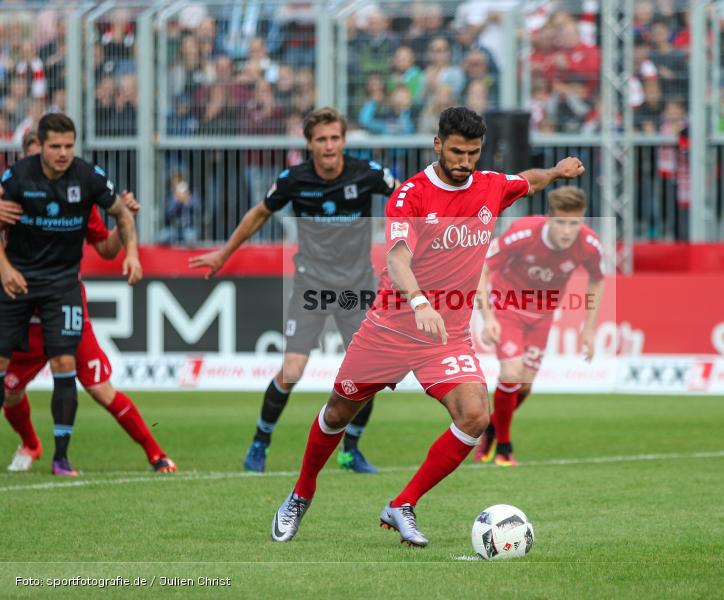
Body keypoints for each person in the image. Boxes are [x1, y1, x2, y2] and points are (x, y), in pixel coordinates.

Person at [269, 106, 585, 546]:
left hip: (445, 336)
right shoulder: (410, 196)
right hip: (391, 329)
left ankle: (403, 504)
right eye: (456, 151)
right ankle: (301, 493)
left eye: (473, 153)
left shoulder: (490, 186)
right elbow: (397, 256)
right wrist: (419, 301)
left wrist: (555, 171)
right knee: (339, 411)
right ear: (438, 145)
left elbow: (527, 181)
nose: (464, 162)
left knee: (475, 416)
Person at [189, 107, 396, 474]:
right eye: (321, 140)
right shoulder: (294, 179)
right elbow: (259, 214)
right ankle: (260, 443)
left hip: (357, 287)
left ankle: (350, 451)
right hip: (311, 285)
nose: (329, 146)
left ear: (344, 141)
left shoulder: (367, 173)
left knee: (368, 374)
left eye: (335, 138)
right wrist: (224, 254)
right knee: (292, 369)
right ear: (309, 144)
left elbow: (408, 198)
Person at [0, 132, 176, 474]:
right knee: (11, 393)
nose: (56, 161)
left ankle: (155, 453)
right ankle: (32, 444)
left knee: (99, 387)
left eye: (64, 151)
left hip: (64, 305)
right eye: (44, 154)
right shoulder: (12, 193)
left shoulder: (74, 196)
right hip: (20, 309)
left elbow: (106, 249)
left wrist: (125, 225)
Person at [475, 186, 603, 466]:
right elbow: (482, 269)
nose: (568, 231)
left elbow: (597, 279)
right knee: (511, 372)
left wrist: (589, 328)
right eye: (561, 222)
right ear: (548, 218)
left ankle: (492, 429)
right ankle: (505, 448)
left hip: (543, 315)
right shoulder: (523, 233)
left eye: (575, 223)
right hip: (507, 306)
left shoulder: (590, 245)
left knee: (524, 385)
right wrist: (489, 318)